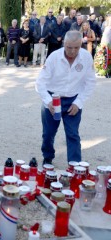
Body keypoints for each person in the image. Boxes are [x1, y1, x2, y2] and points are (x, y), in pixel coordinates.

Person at [35, 31, 96, 164]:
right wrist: (48, 101)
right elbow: (40, 82)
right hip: (53, 98)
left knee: (73, 134)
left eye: (76, 47)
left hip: (73, 99)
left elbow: (90, 82)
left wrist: (79, 102)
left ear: (81, 44)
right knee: (48, 133)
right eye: (69, 47)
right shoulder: (54, 57)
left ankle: (74, 166)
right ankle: (48, 157)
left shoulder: (86, 58)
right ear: (64, 43)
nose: (73, 51)